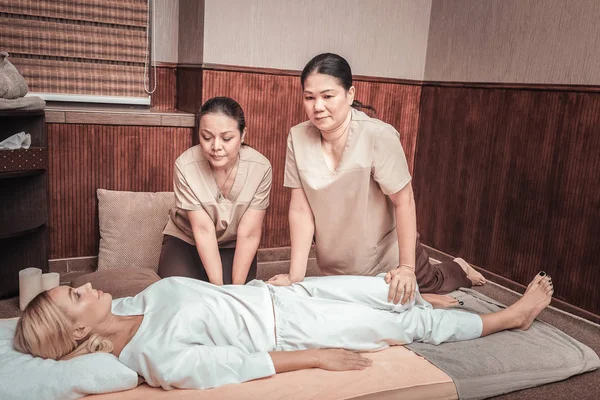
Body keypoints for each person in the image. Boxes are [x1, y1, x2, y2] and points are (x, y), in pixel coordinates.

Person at [13, 272, 552, 391]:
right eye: (76, 297)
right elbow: (229, 365)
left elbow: (207, 297)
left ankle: (426, 293)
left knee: (379, 284)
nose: (84, 285)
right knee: (407, 324)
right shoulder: (149, 356)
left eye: (74, 287)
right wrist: (315, 357)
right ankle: (508, 317)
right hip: (292, 326)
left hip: (282, 291)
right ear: (81, 336)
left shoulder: (130, 303)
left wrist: (257, 283)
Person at [268, 53, 486, 304]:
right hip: (337, 255)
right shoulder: (297, 137)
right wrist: (295, 276)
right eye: (309, 97)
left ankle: (459, 268)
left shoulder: (378, 135)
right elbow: (300, 210)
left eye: (328, 96)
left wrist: (406, 267)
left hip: (387, 252)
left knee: (433, 282)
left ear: (350, 95)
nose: (318, 106)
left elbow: (404, 201)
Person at [158, 97, 272, 285]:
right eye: (207, 137)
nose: (216, 147)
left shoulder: (261, 167)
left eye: (226, 138)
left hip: (233, 244)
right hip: (187, 240)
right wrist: (217, 288)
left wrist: (235, 291)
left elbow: (249, 232)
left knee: (238, 295)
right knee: (179, 294)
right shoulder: (185, 165)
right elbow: (202, 229)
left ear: (243, 135)